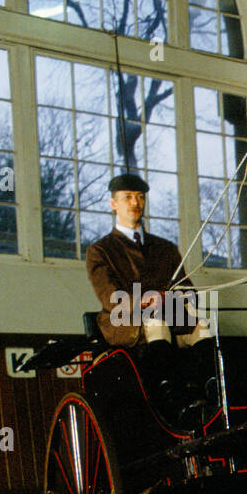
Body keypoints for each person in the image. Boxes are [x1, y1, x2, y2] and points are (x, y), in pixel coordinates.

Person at [85, 173, 213, 427]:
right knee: (156, 321)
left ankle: (213, 388)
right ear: (114, 204)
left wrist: (175, 298)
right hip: (123, 321)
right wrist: (146, 300)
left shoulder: (165, 248)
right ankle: (170, 401)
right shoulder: (100, 250)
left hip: (170, 314)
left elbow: (187, 289)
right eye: (128, 197)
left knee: (201, 324)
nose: (135, 203)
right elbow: (110, 298)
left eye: (140, 197)